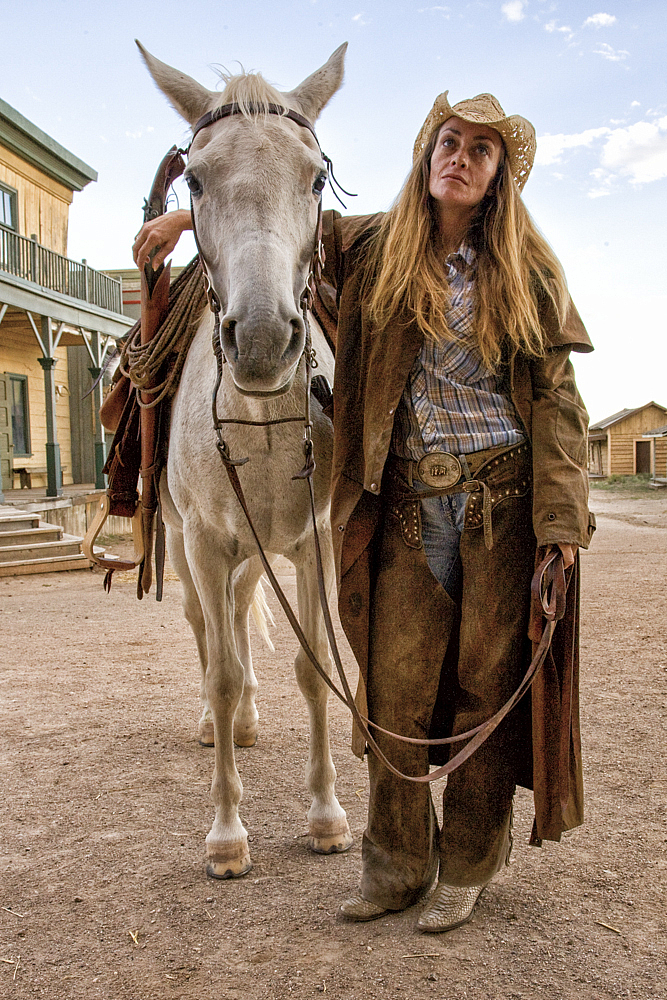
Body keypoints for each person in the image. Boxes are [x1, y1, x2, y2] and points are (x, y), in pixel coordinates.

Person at [133, 90, 594, 934]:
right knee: (393, 694)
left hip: (502, 507)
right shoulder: (372, 246)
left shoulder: (530, 273)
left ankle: (463, 869)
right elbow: (273, 212)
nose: (459, 157)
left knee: (484, 695)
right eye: (448, 141)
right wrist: (178, 221)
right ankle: (395, 869)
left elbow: (560, 407)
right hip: (413, 504)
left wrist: (561, 529)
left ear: (495, 180)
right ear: (426, 154)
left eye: (480, 152)